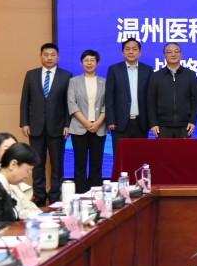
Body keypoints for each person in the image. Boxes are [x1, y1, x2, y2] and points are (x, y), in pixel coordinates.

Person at [19, 43, 72, 207]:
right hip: (35, 127)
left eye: (52, 55)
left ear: (58, 57)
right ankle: (39, 195)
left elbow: (69, 103)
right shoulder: (31, 75)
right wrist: (24, 123)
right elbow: (24, 101)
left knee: (57, 164)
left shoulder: (66, 76)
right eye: (46, 54)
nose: (49, 58)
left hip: (58, 127)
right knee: (37, 163)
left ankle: (55, 196)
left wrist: (67, 124)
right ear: (40, 56)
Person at [68, 50, 107, 192]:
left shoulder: (104, 82)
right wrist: (86, 122)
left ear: (97, 63)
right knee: (80, 163)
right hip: (79, 127)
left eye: (92, 60)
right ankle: (80, 193)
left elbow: (107, 104)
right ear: (81, 63)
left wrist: (98, 122)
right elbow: (72, 103)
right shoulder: (74, 81)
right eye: (86, 60)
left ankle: (96, 193)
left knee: (96, 163)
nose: (89, 63)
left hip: (99, 127)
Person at [105, 38, 153, 152]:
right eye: (127, 49)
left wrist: (151, 122)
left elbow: (151, 97)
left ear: (139, 52)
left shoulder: (147, 70)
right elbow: (109, 96)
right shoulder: (114, 69)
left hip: (141, 123)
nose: (131, 52)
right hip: (119, 123)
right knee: (121, 156)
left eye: (134, 49)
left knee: (140, 156)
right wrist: (110, 119)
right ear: (122, 52)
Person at [0, 133, 41, 219]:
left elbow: (26, 205)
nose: (13, 154)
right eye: (7, 150)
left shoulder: (13, 177)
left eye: (15, 148)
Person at [148, 43, 197, 138]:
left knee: (184, 148)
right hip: (162, 126)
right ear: (164, 55)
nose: (173, 54)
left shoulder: (190, 75)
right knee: (163, 148)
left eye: (176, 51)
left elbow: (195, 101)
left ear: (181, 54)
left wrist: (193, 121)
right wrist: (153, 123)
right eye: (169, 52)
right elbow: (151, 102)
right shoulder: (156, 76)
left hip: (185, 125)